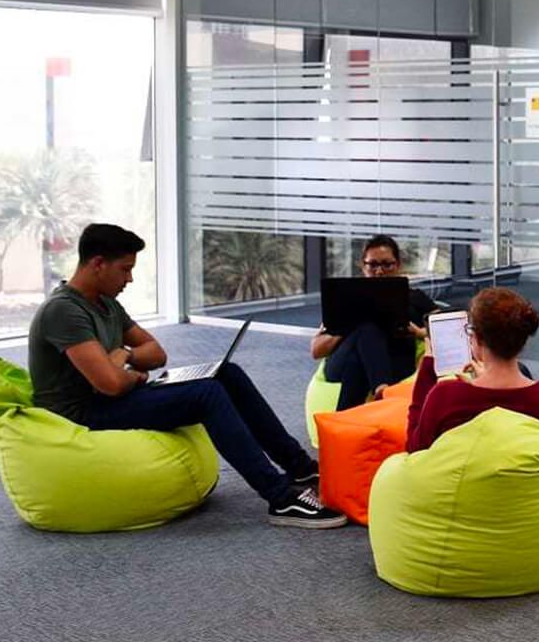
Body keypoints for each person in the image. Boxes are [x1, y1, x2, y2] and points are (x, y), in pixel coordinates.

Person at [27, 223, 345, 528]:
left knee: (226, 374)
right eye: (125, 269)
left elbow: (156, 353)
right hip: (85, 412)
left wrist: (125, 356)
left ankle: (301, 470)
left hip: (116, 396)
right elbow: (109, 384)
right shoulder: (64, 311)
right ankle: (280, 497)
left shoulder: (107, 304)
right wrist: (134, 376)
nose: (131, 278)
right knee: (206, 394)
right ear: (97, 264)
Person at [404, 287, 539, 452]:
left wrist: (427, 367)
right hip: (535, 480)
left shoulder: (446, 397)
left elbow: (416, 448)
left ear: (475, 337)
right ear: (524, 338)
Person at [310, 234, 427, 410]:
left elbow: (446, 325)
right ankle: (381, 388)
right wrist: (351, 325)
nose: (379, 271)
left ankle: (342, 423)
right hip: (339, 367)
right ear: (363, 267)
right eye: (372, 265)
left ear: (398, 265)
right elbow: (316, 351)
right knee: (367, 327)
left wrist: (420, 332)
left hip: (397, 361)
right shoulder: (347, 300)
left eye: (387, 264)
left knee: (356, 363)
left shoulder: (414, 297)